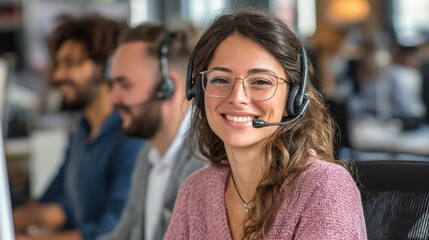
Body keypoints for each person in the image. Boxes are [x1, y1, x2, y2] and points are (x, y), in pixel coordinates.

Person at [164, 9, 367, 240]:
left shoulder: (325, 188)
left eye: (260, 81)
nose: (237, 97)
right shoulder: (195, 192)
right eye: (220, 79)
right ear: (199, 91)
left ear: (293, 98)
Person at [13, 14, 144, 240]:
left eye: (70, 64)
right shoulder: (81, 130)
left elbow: (112, 233)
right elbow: (57, 202)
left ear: (107, 68)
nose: (58, 75)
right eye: (59, 64)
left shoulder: (131, 138)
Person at [100, 23, 206, 240]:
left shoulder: (206, 164)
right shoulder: (147, 158)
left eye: (125, 85)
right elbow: (123, 235)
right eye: (112, 85)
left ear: (168, 87)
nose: (112, 99)